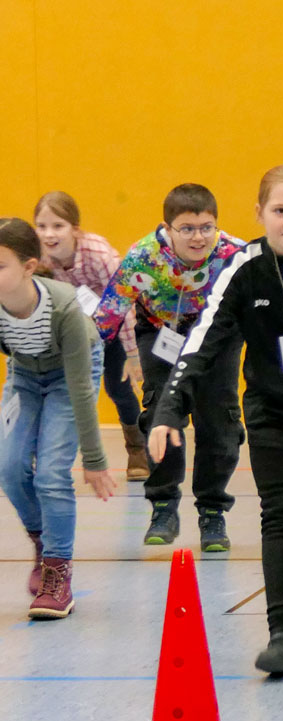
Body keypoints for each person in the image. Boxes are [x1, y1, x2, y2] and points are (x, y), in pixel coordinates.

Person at [150, 165, 283, 678]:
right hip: (271, 414)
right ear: (259, 214)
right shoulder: (241, 269)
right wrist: (168, 410)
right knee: (282, 516)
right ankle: (282, 635)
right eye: (280, 211)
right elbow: (201, 344)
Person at [97, 183, 246, 552]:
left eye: (206, 227)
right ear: (168, 229)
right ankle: (163, 505)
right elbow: (108, 314)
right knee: (162, 412)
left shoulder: (235, 255)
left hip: (217, 336)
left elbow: (264, 306)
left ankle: (212, 511)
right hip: (160, 332)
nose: (199, 238)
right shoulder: (142, 258)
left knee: (219, 420)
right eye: (188, 229)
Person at [0, 219, 118, 619]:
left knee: (50, 473)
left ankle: (57, 571)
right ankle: (44, 540)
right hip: (24, 375)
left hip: (71, 374)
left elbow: (83, 389)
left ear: (29, 267)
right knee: (10, 467)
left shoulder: (63, 306)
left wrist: (95, 460)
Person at [32, 192, 147, 479]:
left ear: (75, 229)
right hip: (69, 332)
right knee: (58, 388)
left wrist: (133, 355)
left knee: (118, 388)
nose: (49, 234)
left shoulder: (99, 254)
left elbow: (124, 305)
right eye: (41, 226)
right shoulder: (38, 258)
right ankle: (44, 453)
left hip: (111, 328)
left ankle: (137, 448)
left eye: (58, 226)